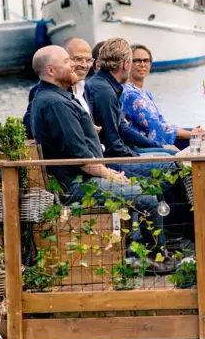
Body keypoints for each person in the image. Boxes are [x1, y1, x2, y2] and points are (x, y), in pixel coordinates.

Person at [29, 46, 171, 270]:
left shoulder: (56, 97)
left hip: (85, 178)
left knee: (145, 189)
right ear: (51, 70)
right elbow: (81, 157)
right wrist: (110, 174)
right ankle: (156, 259)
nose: (73, 65)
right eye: (67, 61)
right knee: (148, 196)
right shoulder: (55, 103)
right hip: (78, 187)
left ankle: (139, 252)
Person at [84, 38, 175, 178]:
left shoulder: (105, 87)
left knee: (168, 156)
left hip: (113, 155)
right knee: (172, 164)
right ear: (126, 64)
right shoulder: (104, 92)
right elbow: (112, 144)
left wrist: (157, 147)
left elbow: (123, 130)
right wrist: (137, 156)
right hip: (110, 162)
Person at [121, 44, 205, 151]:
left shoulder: (145, 94)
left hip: (155, 138)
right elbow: (154, 126)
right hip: (143, 146)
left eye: (146, 60)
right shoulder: (129, 94)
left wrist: (192, 131)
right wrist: (191, 134)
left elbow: (161, 121)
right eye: (137, 61)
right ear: (128, 64)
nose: (142, 64)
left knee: (197, 137)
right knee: (194, 141)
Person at [23, 37, 96, 139]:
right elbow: (30, 126)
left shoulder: (85, 88)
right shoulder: (44, 91)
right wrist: (80, 127)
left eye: (89, 60)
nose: (84, 65)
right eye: (78, 59)